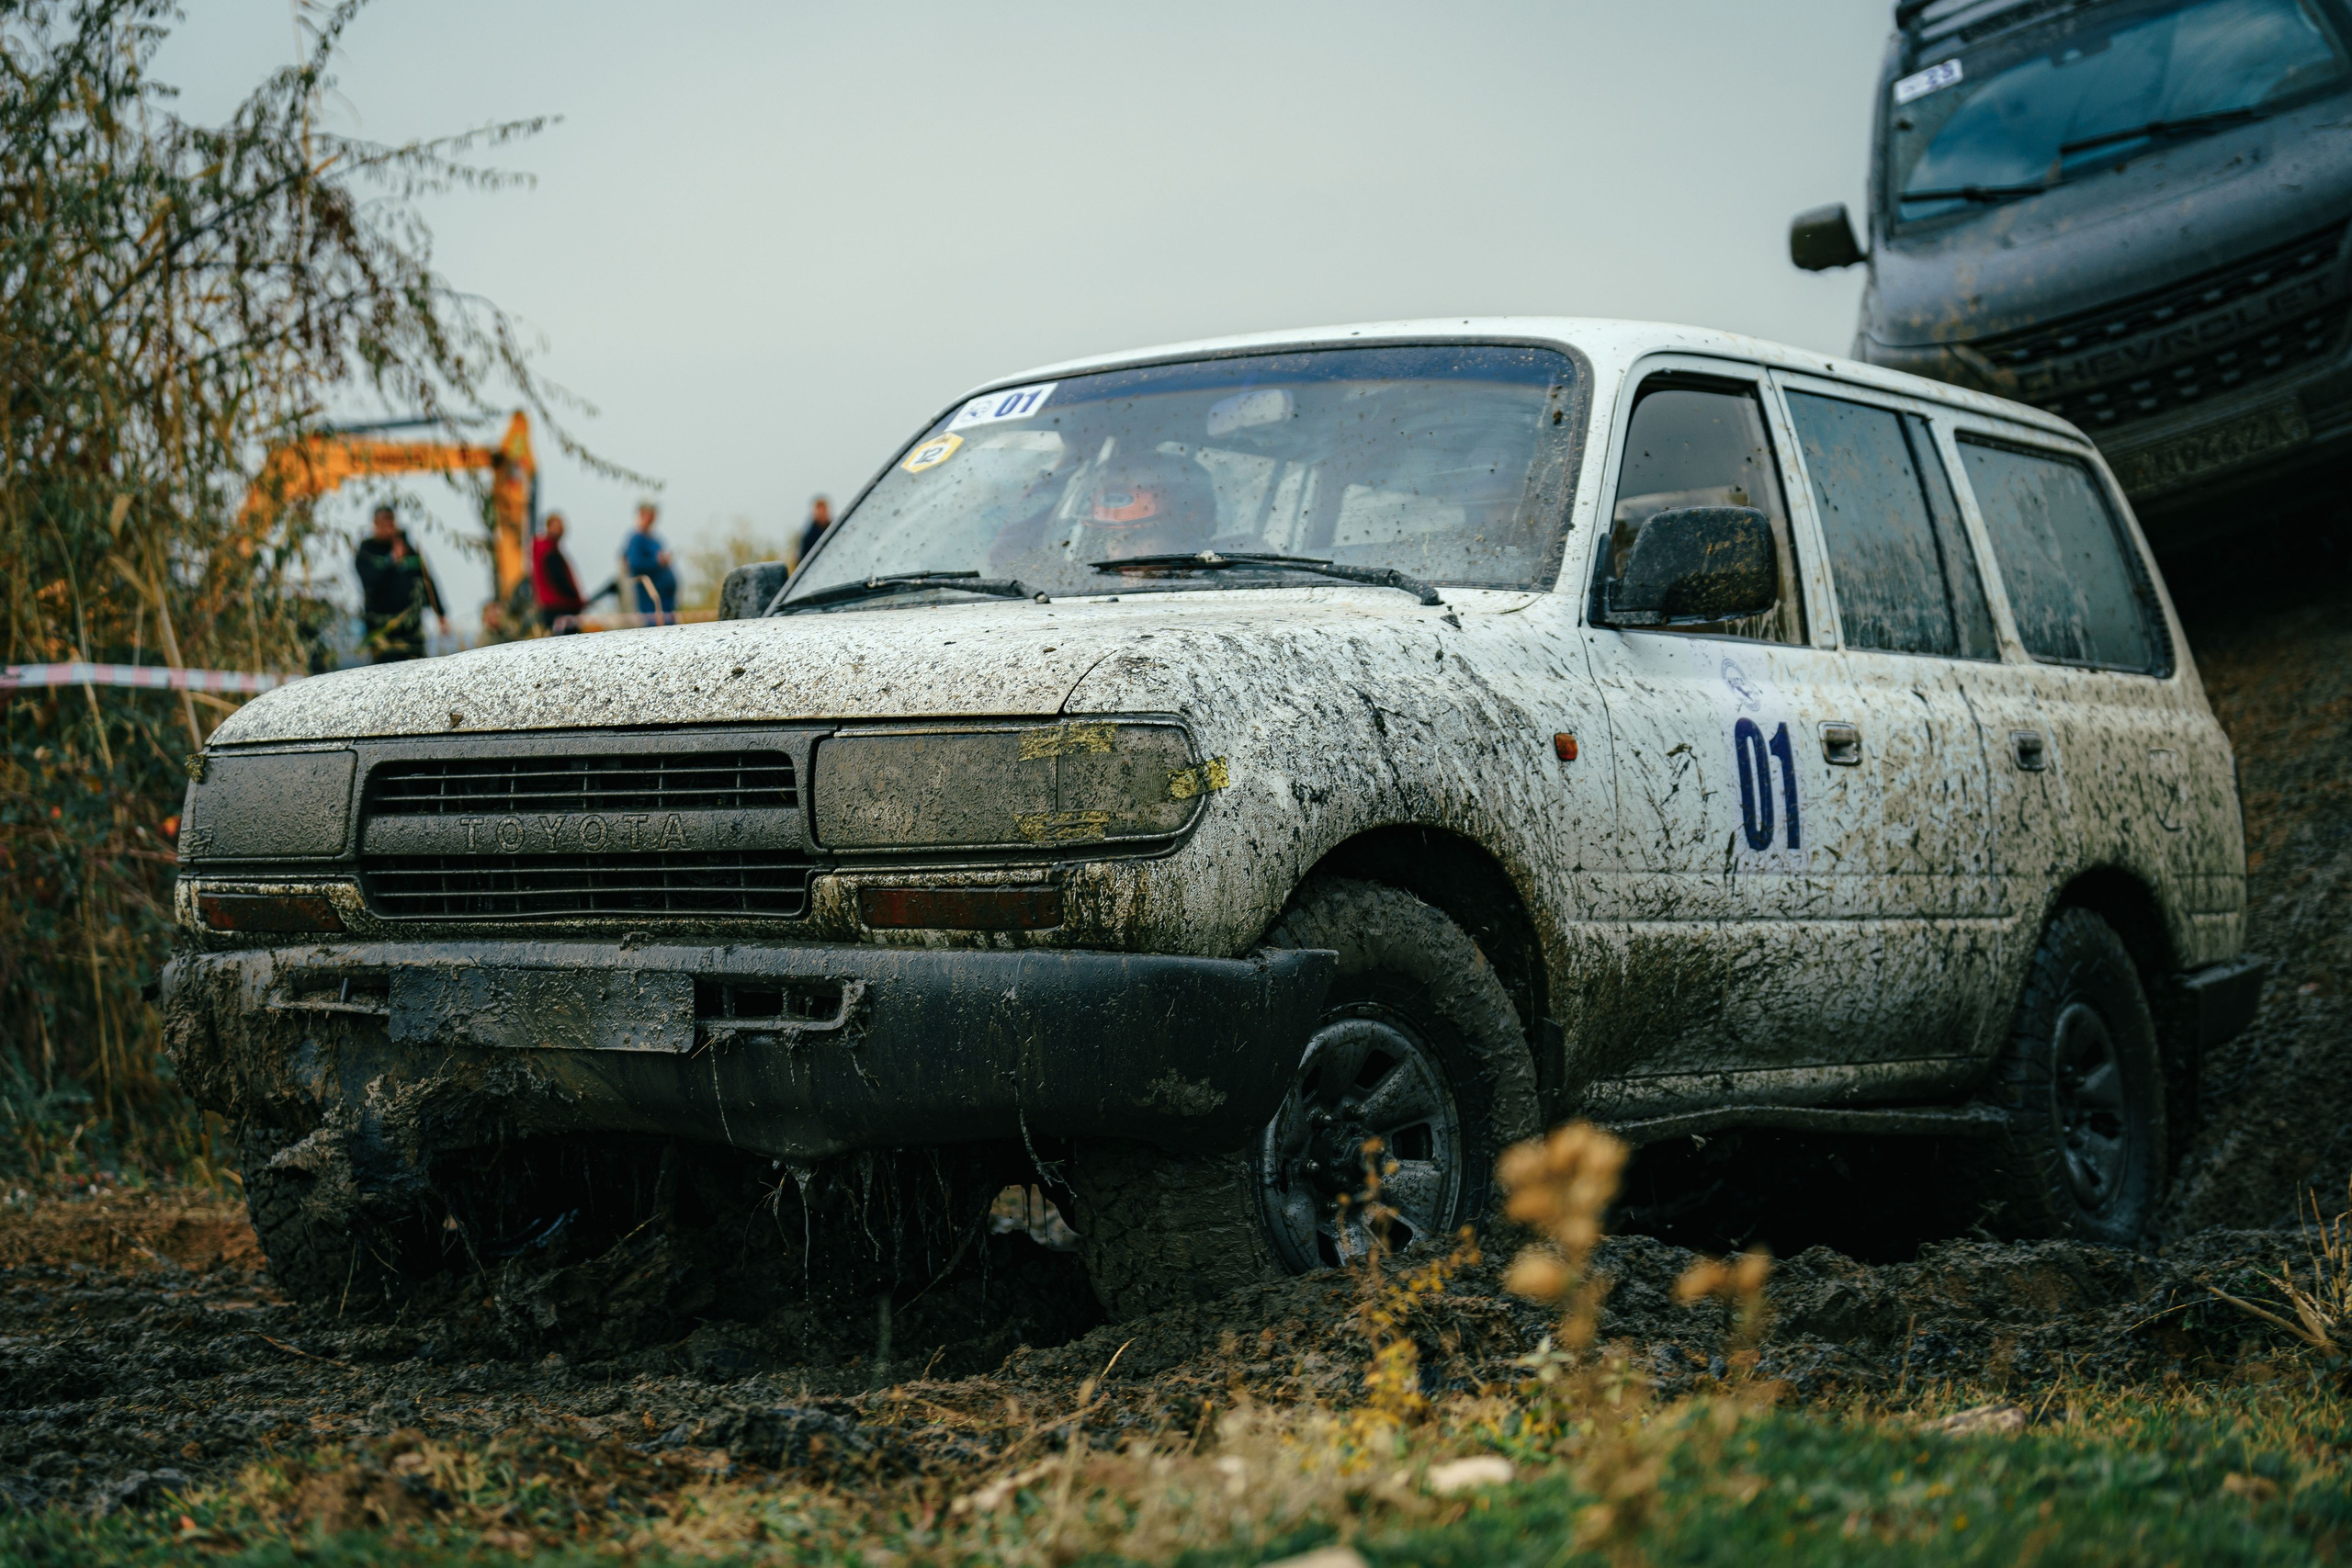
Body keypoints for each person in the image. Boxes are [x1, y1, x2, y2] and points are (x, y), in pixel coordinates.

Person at [354, 505, 446, 662]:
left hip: (411, 630)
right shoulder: (367, 552)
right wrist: (392, 561)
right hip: (382, 629)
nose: (388, 527)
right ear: (375, 524)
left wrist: (440, 613)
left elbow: (427, 581)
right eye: (383, 523)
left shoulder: (409, 550)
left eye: (390, 522)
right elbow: (371, 583)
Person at [623, 502, 678, 625]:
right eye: (649, 516)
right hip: (651, 600)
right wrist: (657, 561)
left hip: (666, 601)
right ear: (641, 515)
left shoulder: (654, 539)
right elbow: (634, 564)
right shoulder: (636, 539)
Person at [531, 512, 586, 634]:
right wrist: (575, 598)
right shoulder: (549, 551)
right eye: (558, 525)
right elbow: (558, 579)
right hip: (559, 607)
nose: (561, 529)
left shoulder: (547, 549)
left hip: (554, 606)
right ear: (549, 527)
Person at [792, 494, 832, 573]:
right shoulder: (808, 536)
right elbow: (802, 562)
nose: (822, 513)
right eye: (819, 510)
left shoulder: (835, 531)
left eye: (824, 510)